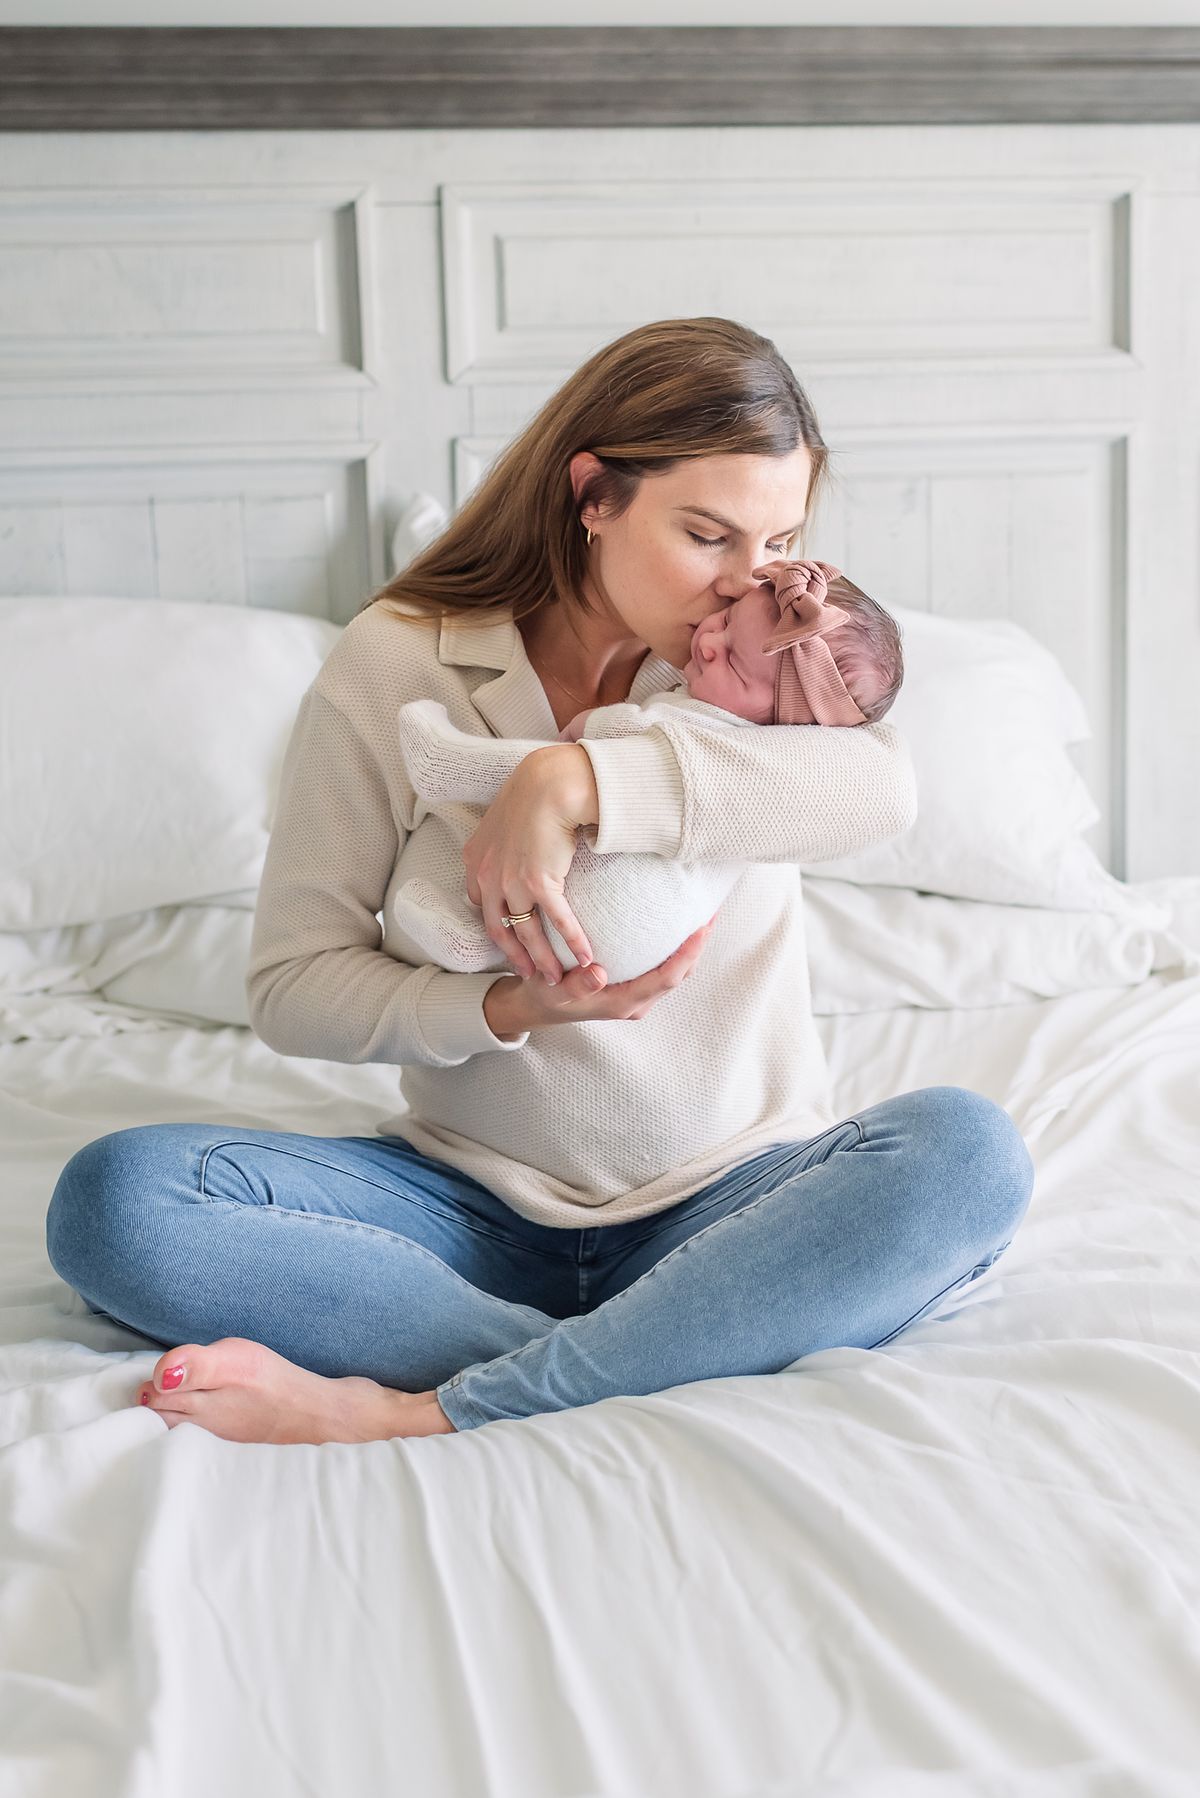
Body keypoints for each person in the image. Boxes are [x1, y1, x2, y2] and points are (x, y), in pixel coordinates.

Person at [44, 315, 1035, 1445]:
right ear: (593, 493)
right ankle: (667, 1345)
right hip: (467, 1205)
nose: (742, 583)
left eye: (776, 543)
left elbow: (883, 793)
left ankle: (426, 1405)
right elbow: (291, 986)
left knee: (968, 1157)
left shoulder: (756, 666)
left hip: (730, 1194)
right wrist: (504, 1006)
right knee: (117, 1204)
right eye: (707, 533)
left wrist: (575, 780)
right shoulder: (398, 663)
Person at [388, 555, 905, 982]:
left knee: (552, 767)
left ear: (790, 720)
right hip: (630, 943)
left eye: (736, 664)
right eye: (725, 622)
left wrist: (586, 736)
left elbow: (623, 742)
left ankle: (445, 762)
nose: (708, 641)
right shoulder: (389, 648)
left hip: (618, 900)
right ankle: (471, 941)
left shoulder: (746, 746)